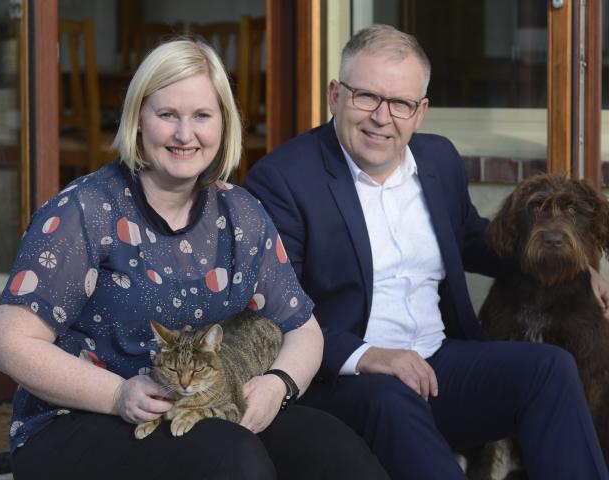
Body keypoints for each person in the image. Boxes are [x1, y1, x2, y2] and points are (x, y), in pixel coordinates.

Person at [0, 38, 388, 480]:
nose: (185, 134)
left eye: (202, 115)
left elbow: (303, 330)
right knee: (233, 459)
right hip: (81, 421)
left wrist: (279, 384)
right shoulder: (85, 210)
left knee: (338, 453)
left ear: (223, 124)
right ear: (138, 119)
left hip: (206, 406)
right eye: (167, 115)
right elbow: (10, 345)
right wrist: (118, 394)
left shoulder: (240, 212)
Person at [244, 24, 609, 479]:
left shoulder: (437, 160)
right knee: (391, 397)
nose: (383, 117)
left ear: (421, 113)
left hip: (438, 361)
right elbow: (275, 314)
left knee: (550, 369)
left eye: (400, 103)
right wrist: (371, 355)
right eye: (366, 96)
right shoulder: (282, 179)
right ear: (335, 95)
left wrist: (577, 266)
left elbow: (476, 239)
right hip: (345, 379)